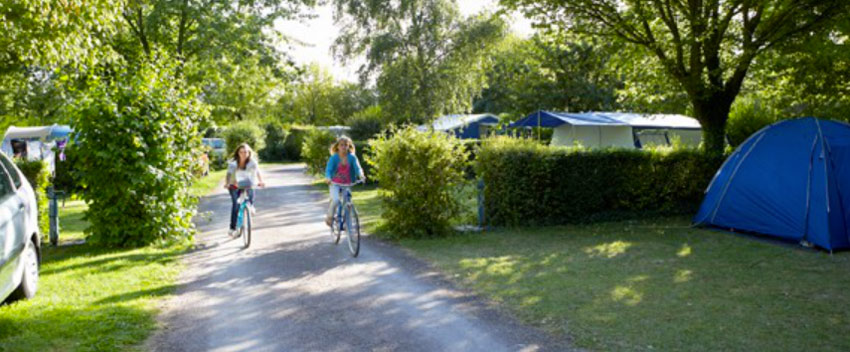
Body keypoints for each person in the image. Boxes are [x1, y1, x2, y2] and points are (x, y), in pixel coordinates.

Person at [224, 143, 265, 237]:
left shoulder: (252, 162)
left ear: (249, 153)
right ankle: (232, 228)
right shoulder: (233, 163)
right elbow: (228, 175)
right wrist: (227, 183)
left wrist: (261, 181)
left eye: (246, 152)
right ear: (238, 153)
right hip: (235, 184)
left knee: (250, 189)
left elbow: (257, 172)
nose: (243, 154)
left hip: (247, 183)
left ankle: (250, 205)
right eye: (241, 152)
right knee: (236, 205)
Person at [325, 136, 365, 226]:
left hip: (347, 183)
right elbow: (329, 170)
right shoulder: (334, 158)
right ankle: (330, 217)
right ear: (338, 146)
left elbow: (358, 168)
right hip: (334, 183)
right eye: (341, 145)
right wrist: (328, 177)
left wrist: (361, 175)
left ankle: (348, 224)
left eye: (346, 145)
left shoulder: (352, 157)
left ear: (349, 146)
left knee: (348, 202)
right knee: (335, 200)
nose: (344, 147)